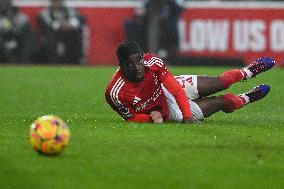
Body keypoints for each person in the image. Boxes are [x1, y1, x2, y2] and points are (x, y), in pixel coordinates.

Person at [105, 41, 275, 123]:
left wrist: (188, 116)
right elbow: (131, 117)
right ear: (121, 66)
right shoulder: (115, 93)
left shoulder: (153, 62)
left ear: (143, 58)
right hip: (167, 112)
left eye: (139, 60)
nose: (137, 67)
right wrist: (150, 118)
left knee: (222, 81)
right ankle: (243, 99)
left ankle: (248, 71)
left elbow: (176, 89)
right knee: (223, 101)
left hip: (166, 89)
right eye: (130, 64)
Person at [36, 0, 86, 64]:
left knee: (75, 37)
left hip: (69, 34)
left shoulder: (71, 11)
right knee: (50, 41)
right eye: (56, 1)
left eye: (59, 1)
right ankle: (52, 64)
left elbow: (82, 19)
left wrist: (70, 23)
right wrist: (59, 25)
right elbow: (43, 23)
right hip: (53, 35)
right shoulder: (45, 12)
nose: (58, 3)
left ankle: (75, 62)